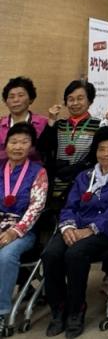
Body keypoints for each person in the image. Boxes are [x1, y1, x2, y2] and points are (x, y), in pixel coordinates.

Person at [42, 126, 108, 338]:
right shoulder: (84, 176)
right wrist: (68, 227)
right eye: (101, 149)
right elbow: (70, 205)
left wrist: (91, 229)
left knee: (75, 254)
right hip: (76, 227)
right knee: (50, 254)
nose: (106, 154)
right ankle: (58, 309)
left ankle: (76, 310)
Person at [0, 123, 47, 332]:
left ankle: (2, 312)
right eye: (14, 142)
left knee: (5, 255)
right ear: (6, 144)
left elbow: (36, 207)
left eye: (24, 142)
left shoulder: (38, 172)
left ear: (31, 147)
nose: (18, 146)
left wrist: (14, 232)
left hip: (23, 230)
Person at [38, 81, 101, 212]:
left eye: (80, 98)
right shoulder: (59, 125)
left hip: (83, 182)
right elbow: (42, 147)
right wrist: (51, 121)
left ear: (90, 101)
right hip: (57, 185)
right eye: (70, 99)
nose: (75, 103)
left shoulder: (99, 125)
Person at [0, 76, 48, 161]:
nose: (16, 100)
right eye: (11, 97)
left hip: (36, 168)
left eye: (21, 95)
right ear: (6, 101)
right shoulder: (0, 124)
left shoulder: (44, 123)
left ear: (31, 99)